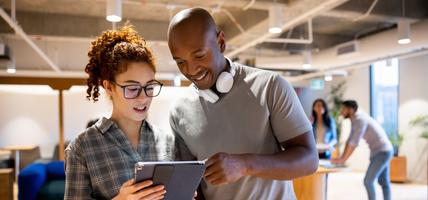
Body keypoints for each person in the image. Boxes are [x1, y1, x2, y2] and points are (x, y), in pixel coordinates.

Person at [167, 8, 318, 200]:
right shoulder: (178, 111)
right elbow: (192, 186)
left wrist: (245, 164)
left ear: (221, 43)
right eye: (180, 62)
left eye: (199, 56)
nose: (190, 70)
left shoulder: (270, 86)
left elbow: (309, 160)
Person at [64, 25, 173, 199]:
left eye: (149, 87)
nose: (143, 98)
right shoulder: (82, 147)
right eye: (132, 88)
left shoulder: (167, 141)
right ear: (109, 87)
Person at [332, 100, 393, 200]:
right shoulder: (354, 119)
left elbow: (354, 143)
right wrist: (342, 158)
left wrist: (343, 160)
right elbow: (350, 139)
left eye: (343, 109)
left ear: (351, 110)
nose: (341, 112)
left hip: (383, 152)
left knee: (368, 181)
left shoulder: (360, 120)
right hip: (380, 151)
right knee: (383, 181)